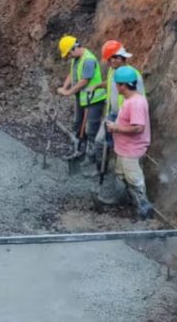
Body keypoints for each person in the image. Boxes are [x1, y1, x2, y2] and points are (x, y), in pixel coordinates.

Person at [84, 40, 145, 176]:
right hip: (111, 114)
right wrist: (97, 86)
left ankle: (121, 177)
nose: (108, 63)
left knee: (121, 148)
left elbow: (139, 100)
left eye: (110, 59)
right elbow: (110, 83)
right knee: (100, 142)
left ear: (118, 58)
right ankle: (101, 169)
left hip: (125, 118)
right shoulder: (113, 70)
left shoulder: (134, 76)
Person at [105, 66, 154, 220]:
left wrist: (116, 128)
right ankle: (124, 201)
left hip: (131, 150)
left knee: (135, 180)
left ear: (123, 86)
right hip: (123, 148)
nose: (115, 87)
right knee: (120, 174)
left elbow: (138, 128)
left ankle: (144, 210)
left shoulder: (136, 103)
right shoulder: (131, 100)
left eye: (117, 84)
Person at [57, 35, 107, 162]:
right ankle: (79, 149)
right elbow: (72, 73)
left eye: (68, 54)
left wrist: (68, 92)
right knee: (78, 124)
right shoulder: (77, 59)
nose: (68, 57)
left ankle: (91, 157)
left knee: (91, 128)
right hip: (82, 98)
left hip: (93, 99)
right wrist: (64, 86)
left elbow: (84, 81)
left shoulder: (88, 60)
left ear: (73, 49)